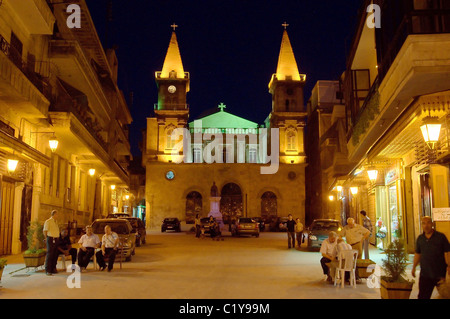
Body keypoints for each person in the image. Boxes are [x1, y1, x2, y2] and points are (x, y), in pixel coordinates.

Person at [412, 216, 450, 299]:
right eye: (423, 223)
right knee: (423, 296)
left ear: (432, 224)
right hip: (425, 274)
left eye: (428, 223)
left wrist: (449, 266)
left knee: (445, 295)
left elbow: (447, 252)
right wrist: (414, 267)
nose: (426, 225)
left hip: (439, 274)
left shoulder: (441, 237)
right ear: (421, 225)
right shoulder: (420, 239)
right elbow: (418, 254)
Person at [43, 210, 60, 276]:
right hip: (50, 238)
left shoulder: (56, 222)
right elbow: (45, 231)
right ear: (54, 214)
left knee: (55, 254)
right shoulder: (48, 221)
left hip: (56, 238)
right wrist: (46, 238)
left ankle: (53, 268)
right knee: (50, 254)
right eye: (57, 214)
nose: (57, 216)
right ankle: (48, 270)